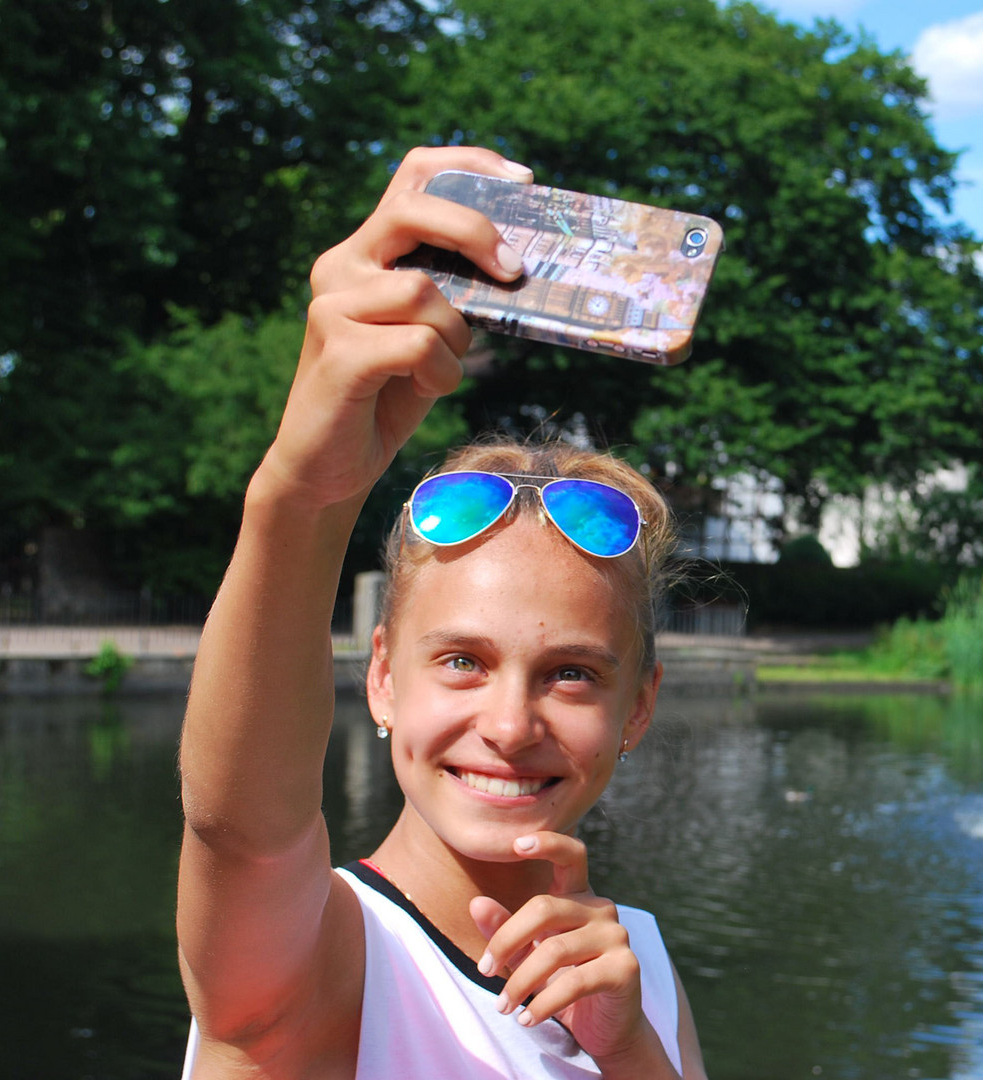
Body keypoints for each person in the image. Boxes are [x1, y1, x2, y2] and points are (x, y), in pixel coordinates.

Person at [175, 146, 708, 1079]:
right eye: (460, 660)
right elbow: (240, 832)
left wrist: (629, 1052)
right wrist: (301, 498)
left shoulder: (637, 973)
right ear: (381, 676)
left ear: (640, 706)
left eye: (572, 672)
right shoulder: (311, 963)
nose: (508, 725)